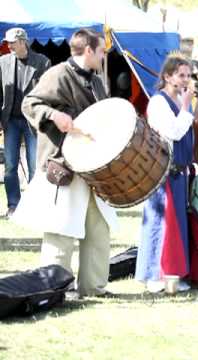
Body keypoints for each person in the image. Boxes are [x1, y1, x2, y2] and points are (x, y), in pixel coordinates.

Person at [17, 28, 118, 297]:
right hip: (64, 164)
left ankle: (93, 288)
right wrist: (54, 116)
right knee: (61, 230)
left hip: (94, 166)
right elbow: (30, 104)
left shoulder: (96, 82)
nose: (103, 55)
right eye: (100, 51)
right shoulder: (58, 73)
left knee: (98, 228)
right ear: (88, 51)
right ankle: (52, 289)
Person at [135, 54, 195, 293]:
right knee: (161, 222)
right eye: (181, 75)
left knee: (176, 224)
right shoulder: (158, 102)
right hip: (162, 170)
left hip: (179, 170)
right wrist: (187, 108)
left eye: (188, 75)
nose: (185, 80)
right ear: (168, 76)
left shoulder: (179, 99)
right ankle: (154, 275)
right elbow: (174, 131)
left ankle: (171, 272)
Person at [0, 27, 51, 219]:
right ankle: (13, 205)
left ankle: (35, 206)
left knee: (35, 166)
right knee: (11, 165)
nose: (9, 45)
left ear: (23, 42)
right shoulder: (2, 62)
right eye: (8, 42)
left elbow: (48, 93)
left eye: (12, 42)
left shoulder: (43, 62)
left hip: (33, 121)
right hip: (10, 120)